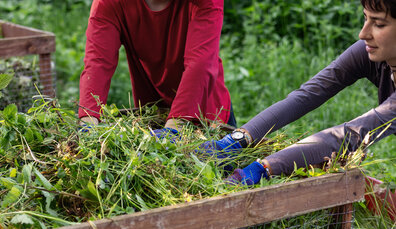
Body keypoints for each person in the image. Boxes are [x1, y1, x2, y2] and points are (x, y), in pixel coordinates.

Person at [198, 0, 396, 185]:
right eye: (365, 17)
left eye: (378, 24)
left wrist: (263, 168)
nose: (363, 34)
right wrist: (234, 141)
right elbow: (308, 94)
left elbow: (351, 133)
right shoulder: (368, 52)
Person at [78, 0, 235, 136]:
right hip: (153, 116)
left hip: (208, 120)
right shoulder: (110, 3)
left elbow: (200, 63)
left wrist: (174, 128)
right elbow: (97, 62)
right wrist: (88, 122)